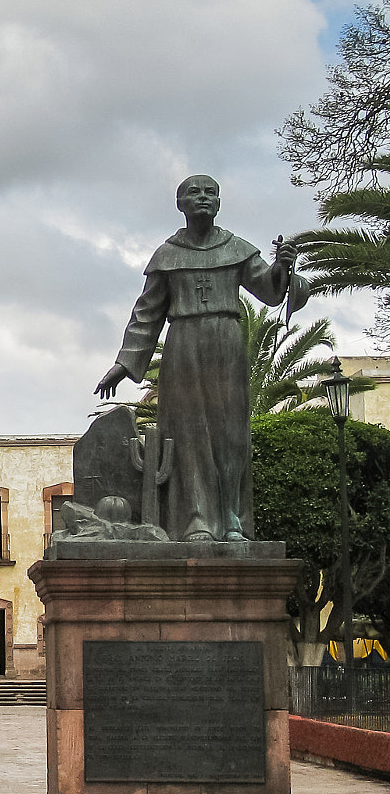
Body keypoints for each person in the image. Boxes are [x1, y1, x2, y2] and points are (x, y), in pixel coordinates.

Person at [96, 175, 306, 542]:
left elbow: (271, 292)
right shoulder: (167, 254)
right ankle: (196, 520)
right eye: (194, 192)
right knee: (187, 434)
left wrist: (283, 269)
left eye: (211, 192)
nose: (203, 198)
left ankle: (232, 520)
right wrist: (125, 363)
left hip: (227, 342)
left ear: (220, 203)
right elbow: (147, 313)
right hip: (184, 347)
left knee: (231, 434)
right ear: (180, 204)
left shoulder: (237, 248)